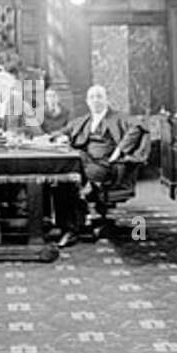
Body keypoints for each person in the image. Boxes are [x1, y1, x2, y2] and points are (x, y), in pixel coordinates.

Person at [55, 85, 144, 247]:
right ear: (87, 101)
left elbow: (138, 127)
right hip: (86, 165)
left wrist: (119, 150)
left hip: (106, 167)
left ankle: (74, 224)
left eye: (99, 96)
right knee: (64, 181)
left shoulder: (118, 117)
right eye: (92, 97)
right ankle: (68, 227)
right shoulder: (84, 120)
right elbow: (62, 131)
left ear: (106, 99)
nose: (96, 100)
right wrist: (60, 138)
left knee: (73, 163)